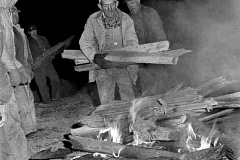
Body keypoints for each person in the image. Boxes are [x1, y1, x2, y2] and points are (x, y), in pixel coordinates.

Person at [79, 0, 139, 104]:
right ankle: (109, 119)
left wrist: (126, 58)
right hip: (102, 67)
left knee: (129, 100)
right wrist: (94, 57)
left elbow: (132, 41)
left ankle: (130, 119)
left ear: (116, 4)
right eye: (106, 6)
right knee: (106, 102)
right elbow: (84, 42)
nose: (110, 9)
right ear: (100, 6)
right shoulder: (93, 20)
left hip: (124, 68)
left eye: (112, 5)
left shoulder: (126, 19)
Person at [0, 1, 29, 159]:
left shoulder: (4, 11)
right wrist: (12, 70)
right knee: (8, 124)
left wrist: (16, 68)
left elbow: (7, 51)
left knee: (11, 122)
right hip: (2, 76)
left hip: (5, 72)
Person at [125, 0, 168, 95]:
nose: (130, 6)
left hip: (155, 57)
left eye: (132, 2)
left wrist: (161, 55)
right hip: (141, 60)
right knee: (147, 88)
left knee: (161, 86)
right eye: (128, 4)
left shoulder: (150, 13)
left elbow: (160, 35)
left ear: (138, 1)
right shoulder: (129, 18)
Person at [12, 6, 37, 135]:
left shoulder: (19, 30)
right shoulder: (8, 32)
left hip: (25, 69)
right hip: (16, 71)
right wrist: (19, 69)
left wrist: (29, 66)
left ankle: (33, 127)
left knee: (29, 98)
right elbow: (10, 55)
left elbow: (26, 52)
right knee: (22, 100)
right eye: (12, 13)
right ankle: (27, 130)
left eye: (17, 13)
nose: (16, 15)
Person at [27, 24, 61, 103]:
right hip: (37, 65)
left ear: (36, 30)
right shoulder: (28, 42)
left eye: (34, 30)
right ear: (29, 33)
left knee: (55, 78)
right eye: (31, 31)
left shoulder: (43, 38)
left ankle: (55, 96)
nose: (33, 33)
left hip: (47, 63)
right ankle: (46, 100)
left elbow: (49, 48)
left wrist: (52, 55)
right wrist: (30, 64)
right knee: (41, 83)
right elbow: (27, 54)